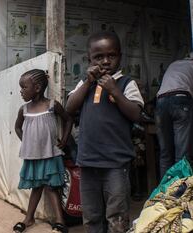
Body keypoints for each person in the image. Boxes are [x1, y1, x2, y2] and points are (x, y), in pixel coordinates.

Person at [66, 31, 144, 233]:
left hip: (116, 164)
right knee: (92, 216)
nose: (106, 61)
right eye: (99, 57)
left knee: (116, 217)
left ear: (120, 56)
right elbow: (69, 107)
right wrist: (88, 82)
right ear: (89, 59)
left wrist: (115, 91)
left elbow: (136, 114)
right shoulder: (85, 84)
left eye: (112, 55)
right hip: (88, 161)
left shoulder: (126, 83)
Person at [13, 69, 72, 233]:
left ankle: (60, 222)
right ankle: (29, 218)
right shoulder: (24, 109)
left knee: (52, 187)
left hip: (51, 154)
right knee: (37, 187)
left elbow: (68, 120)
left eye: (24, 87)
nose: (21, 91)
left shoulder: (52, 105)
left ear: (37, 88)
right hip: (33, 156)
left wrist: (65, 140)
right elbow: (17, 127)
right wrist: (26, 142)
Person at [155, 57, 193, 178]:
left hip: (160, 101)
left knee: (165, 154)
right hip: (180, 100)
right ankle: (179, 194)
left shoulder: (175, 64)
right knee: (182, 154)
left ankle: (164, 192)